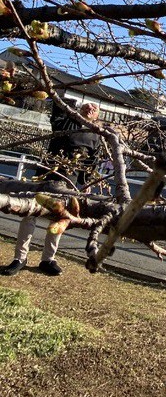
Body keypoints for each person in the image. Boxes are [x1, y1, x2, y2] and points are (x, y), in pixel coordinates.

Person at [0, 101, 102, 277]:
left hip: (67, 184)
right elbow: (57, 111)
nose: (90, 108)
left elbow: (91, 163)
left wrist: (86, 184)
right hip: (46, 176)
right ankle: (20, 258)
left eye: (95, 108)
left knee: (58, 219)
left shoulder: (96, 136)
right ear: (79, 109)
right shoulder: (67, 122)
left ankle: (48, 259)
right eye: (87, 105)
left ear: (97, 115)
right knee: (29, 215)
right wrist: (64, 101)